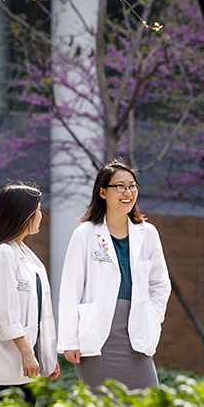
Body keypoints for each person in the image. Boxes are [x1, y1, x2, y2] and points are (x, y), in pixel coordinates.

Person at [57, 157, 171, 391]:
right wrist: (69, 340)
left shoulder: (148, 233)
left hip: (137, 329)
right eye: (119, 186)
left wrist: (152, 314)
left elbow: (160, 284)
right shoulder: (85, 234)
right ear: (102, 192)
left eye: (132, 186)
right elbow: (71, 289)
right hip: (97, 334)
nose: (127, 191)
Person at [0, 183, 60, 405]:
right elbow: (4, 315)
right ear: (25, 213)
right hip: (3, 370)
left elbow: (38, 314)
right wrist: (27, 354)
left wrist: (46, 356)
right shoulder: (4, 254)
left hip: (26, 371)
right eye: (39, 209)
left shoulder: (27, 257)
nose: (42, 215)